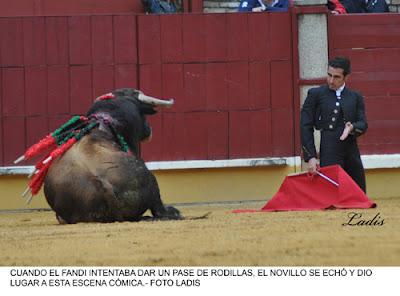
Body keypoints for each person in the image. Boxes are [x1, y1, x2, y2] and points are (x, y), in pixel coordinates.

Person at [300, 57, 368, 192]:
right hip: (329, 150)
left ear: (346, 77)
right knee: (331, 196)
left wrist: (352, 127)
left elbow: (363, 123)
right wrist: (311, 157)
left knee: (358, 196)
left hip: (351, 151)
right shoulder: (316, 94)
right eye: (329, 75)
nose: (331, 80)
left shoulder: (355, 97)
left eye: (336, 77)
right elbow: (305, 126)